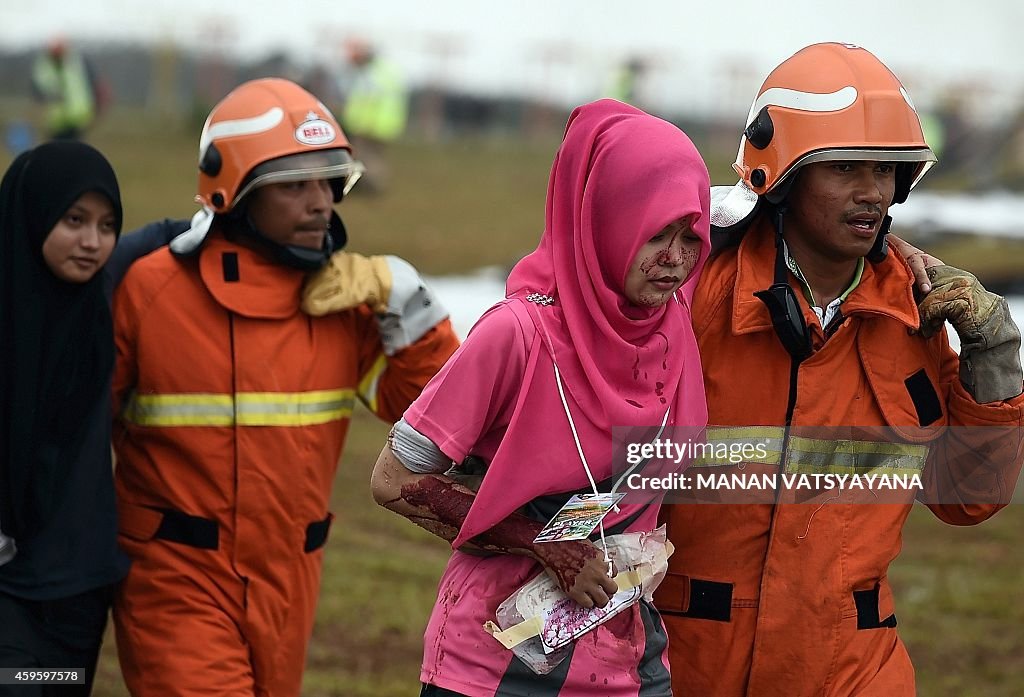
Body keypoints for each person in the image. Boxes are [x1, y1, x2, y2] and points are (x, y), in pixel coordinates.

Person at [655, 42, 1024, 697]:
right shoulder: (695, 294)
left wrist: (993, 357)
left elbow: (964, 496)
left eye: (885, 171)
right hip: (688, 664)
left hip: (854, 672)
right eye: (846, 167)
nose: (870, 192)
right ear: (784, 177)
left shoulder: (913, 314)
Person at [110, 77, 459, 697]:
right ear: (234, 192)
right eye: (294, 184)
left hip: (291, 583)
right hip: (176, 580)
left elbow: (443, 423)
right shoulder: (152, 292)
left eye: (330, 182)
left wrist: (411, 306)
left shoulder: (347, 299)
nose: (321, 202)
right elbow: (66, 429)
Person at [363, 99, 711, 696]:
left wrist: (898, 253)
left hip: (631, 662)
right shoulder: (516, 335)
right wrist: (548, 547)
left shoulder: (670, 326)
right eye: (656, 234)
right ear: (606, 221)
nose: (676, 259)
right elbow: (392, 480)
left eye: (690, 236)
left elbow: (788, 216)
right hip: (496, 665)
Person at [0, 141, 126, 695]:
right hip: (11, 589)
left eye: (106, 224)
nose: (92, 241)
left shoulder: (102, 299)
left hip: (79, 589)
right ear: (35, 213)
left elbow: (182, 235)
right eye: (74, 220)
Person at [338, 38, 408, 193]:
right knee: (374, 157)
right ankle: (370, 186)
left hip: (371, 125)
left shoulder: (370, 74)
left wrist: (361, 124)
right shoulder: (384, 71)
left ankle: (370, 188)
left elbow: (367, 100)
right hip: (385, 125)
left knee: (367, 157)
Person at [30, 38, 107, 141]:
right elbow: (37, 92)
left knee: (75, 150)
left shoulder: (80, 63)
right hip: (55, 123)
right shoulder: (43, 67)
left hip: (78, 120)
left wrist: (97, 110)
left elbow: (97, 86)